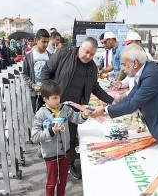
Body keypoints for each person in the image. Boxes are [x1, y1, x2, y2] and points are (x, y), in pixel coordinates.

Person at [91, 44, 158, 153]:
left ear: (134, 63)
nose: (122, 69)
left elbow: (131, 105)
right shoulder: (146, 72)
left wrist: (105, 111)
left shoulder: (152, 75)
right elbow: (130, 97)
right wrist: (111, 105)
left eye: (124, 65)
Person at [41, 37, 115, 179]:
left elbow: (95, 88)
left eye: (92, 54)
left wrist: (112, 101)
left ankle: (69, 165)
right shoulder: (64, 54)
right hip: (56, 104)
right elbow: (46, 71)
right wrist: (48, 94)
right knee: (52, 135)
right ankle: (52, 164)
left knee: (71, 137)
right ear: (80, 47)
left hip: (75, 108)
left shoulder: (92, 67)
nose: (88, 56)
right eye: (86, 52)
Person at [31, 79, 89, 196]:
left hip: (66, 153)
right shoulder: (41, 114)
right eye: (54, 98)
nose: (58, 100)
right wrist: (52, 131)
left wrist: (84, 114)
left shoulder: (64, 108)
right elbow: (35, 136)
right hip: (50, 155)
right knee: (52, 182)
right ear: (45, 99)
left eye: (59, 97)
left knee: (63, 181)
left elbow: (75, 118)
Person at [22, 29, 51, 113]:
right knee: (38, 118)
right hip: (35, 94)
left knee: (50, 118)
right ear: (36, 40)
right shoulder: (29, 56)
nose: (46, 44)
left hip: (48, 94)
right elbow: (25, 74)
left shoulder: (50, 56)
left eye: (47, 42)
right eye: (43, 42)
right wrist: (33, 85)